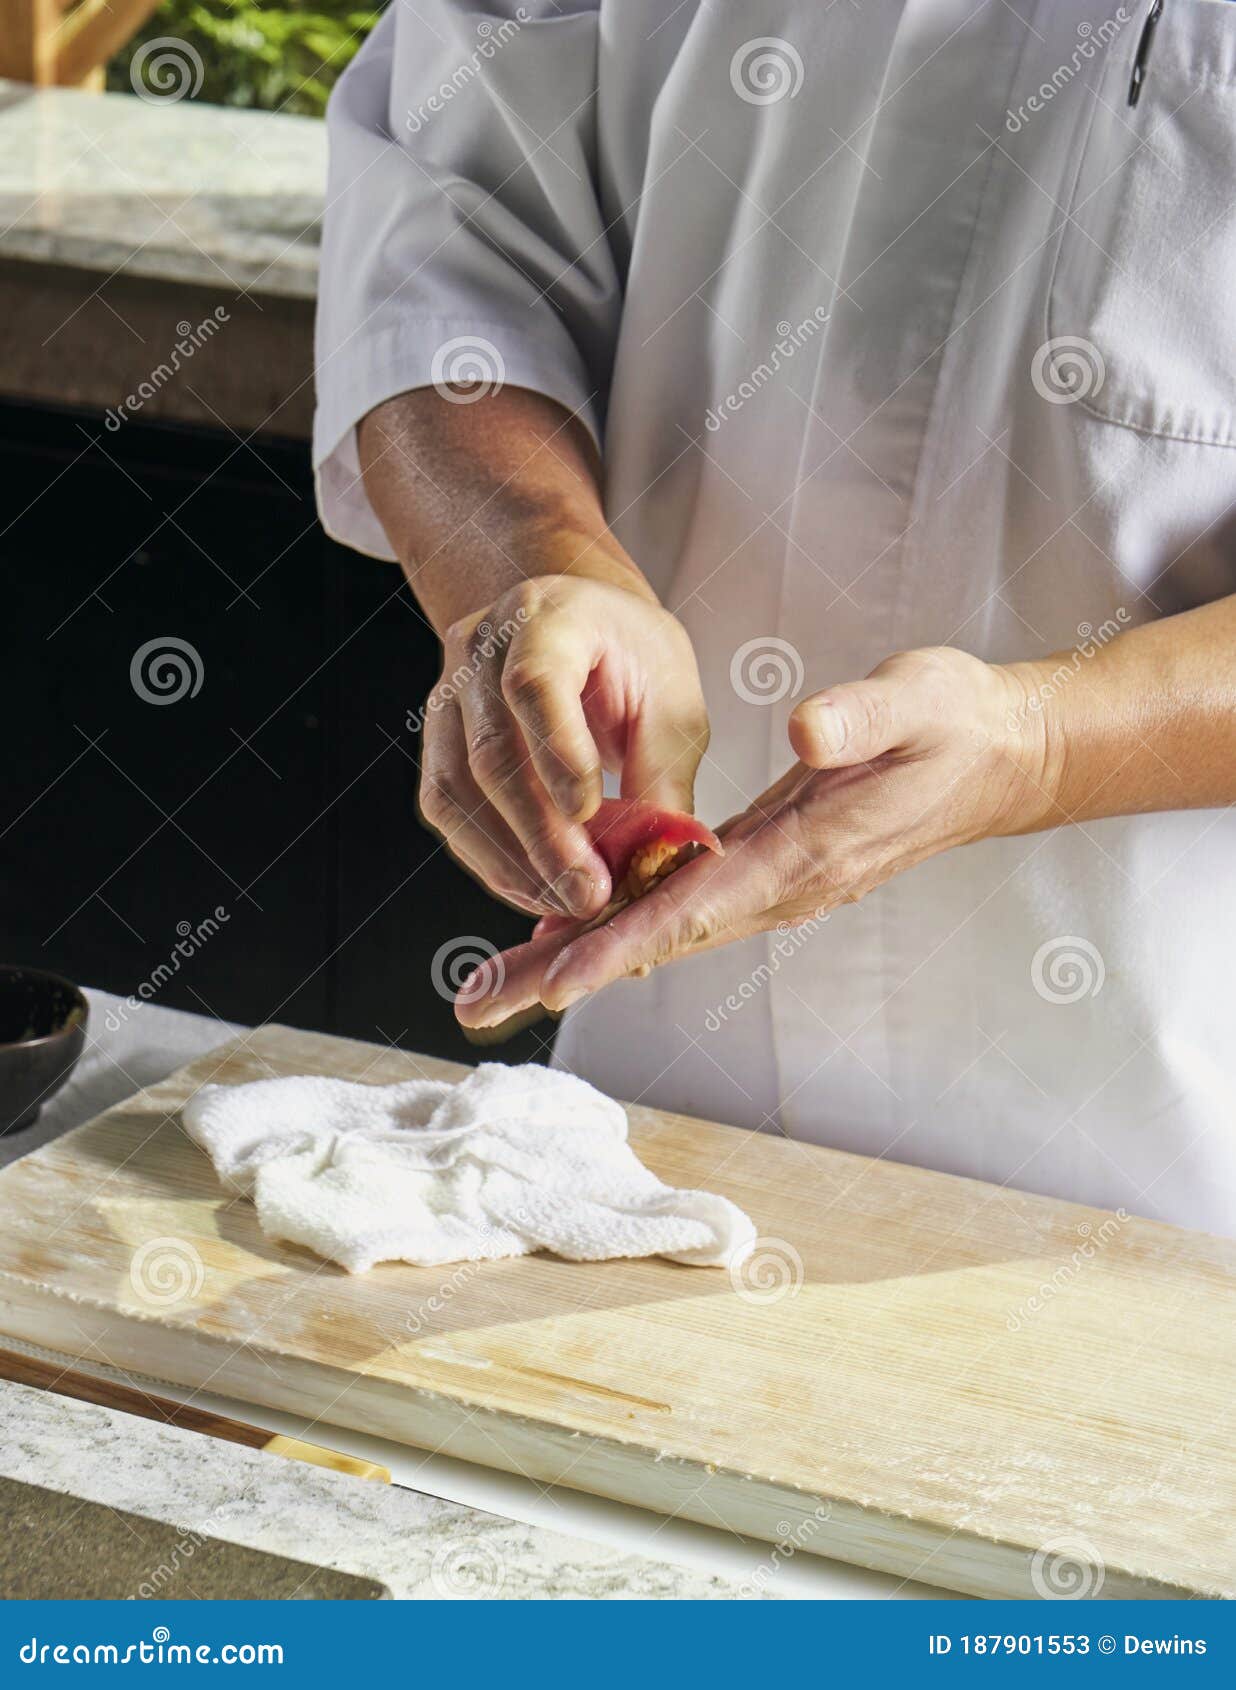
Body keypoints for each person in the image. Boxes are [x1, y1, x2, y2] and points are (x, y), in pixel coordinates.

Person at [314, 1, 1236, 1236]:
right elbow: (445, 235)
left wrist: (1045, 740)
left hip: (1174, 1175)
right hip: (640, 1136)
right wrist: (527, 561)